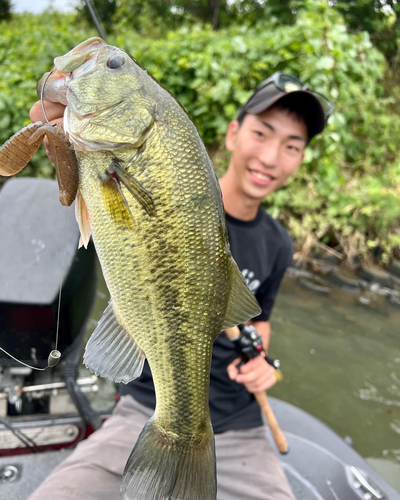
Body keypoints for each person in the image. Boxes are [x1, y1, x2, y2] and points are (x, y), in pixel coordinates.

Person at [28, 71, 332, 500]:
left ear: (300, 159)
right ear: (232, 134)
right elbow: (94, 199)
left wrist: (266, 365)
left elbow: (260, 319)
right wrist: (69, 144)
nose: (271, 156)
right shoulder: (151, 176)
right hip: (145, 405)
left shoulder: (279, 243)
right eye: (262, 133)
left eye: (292, 146)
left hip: (242, 425)